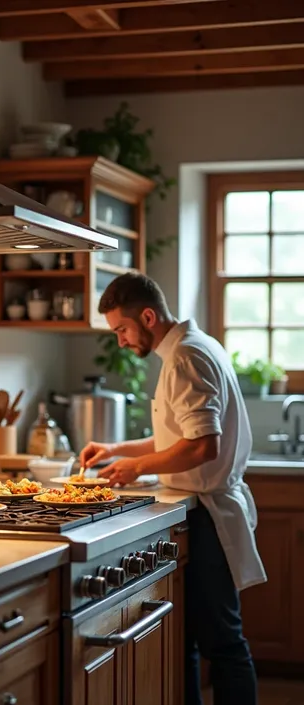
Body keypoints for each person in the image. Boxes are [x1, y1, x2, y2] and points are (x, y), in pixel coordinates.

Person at [79, 271, 267, 705]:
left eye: (122, 329)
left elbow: (202, 445)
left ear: (147, 316)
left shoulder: (184, 357)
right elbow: (180, 436)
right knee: (193, 640)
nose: (121, 341)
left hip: (205, 516)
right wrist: (116, 449)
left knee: (222, 641)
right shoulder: (194, 347)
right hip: (200, 511)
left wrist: (136, 466)